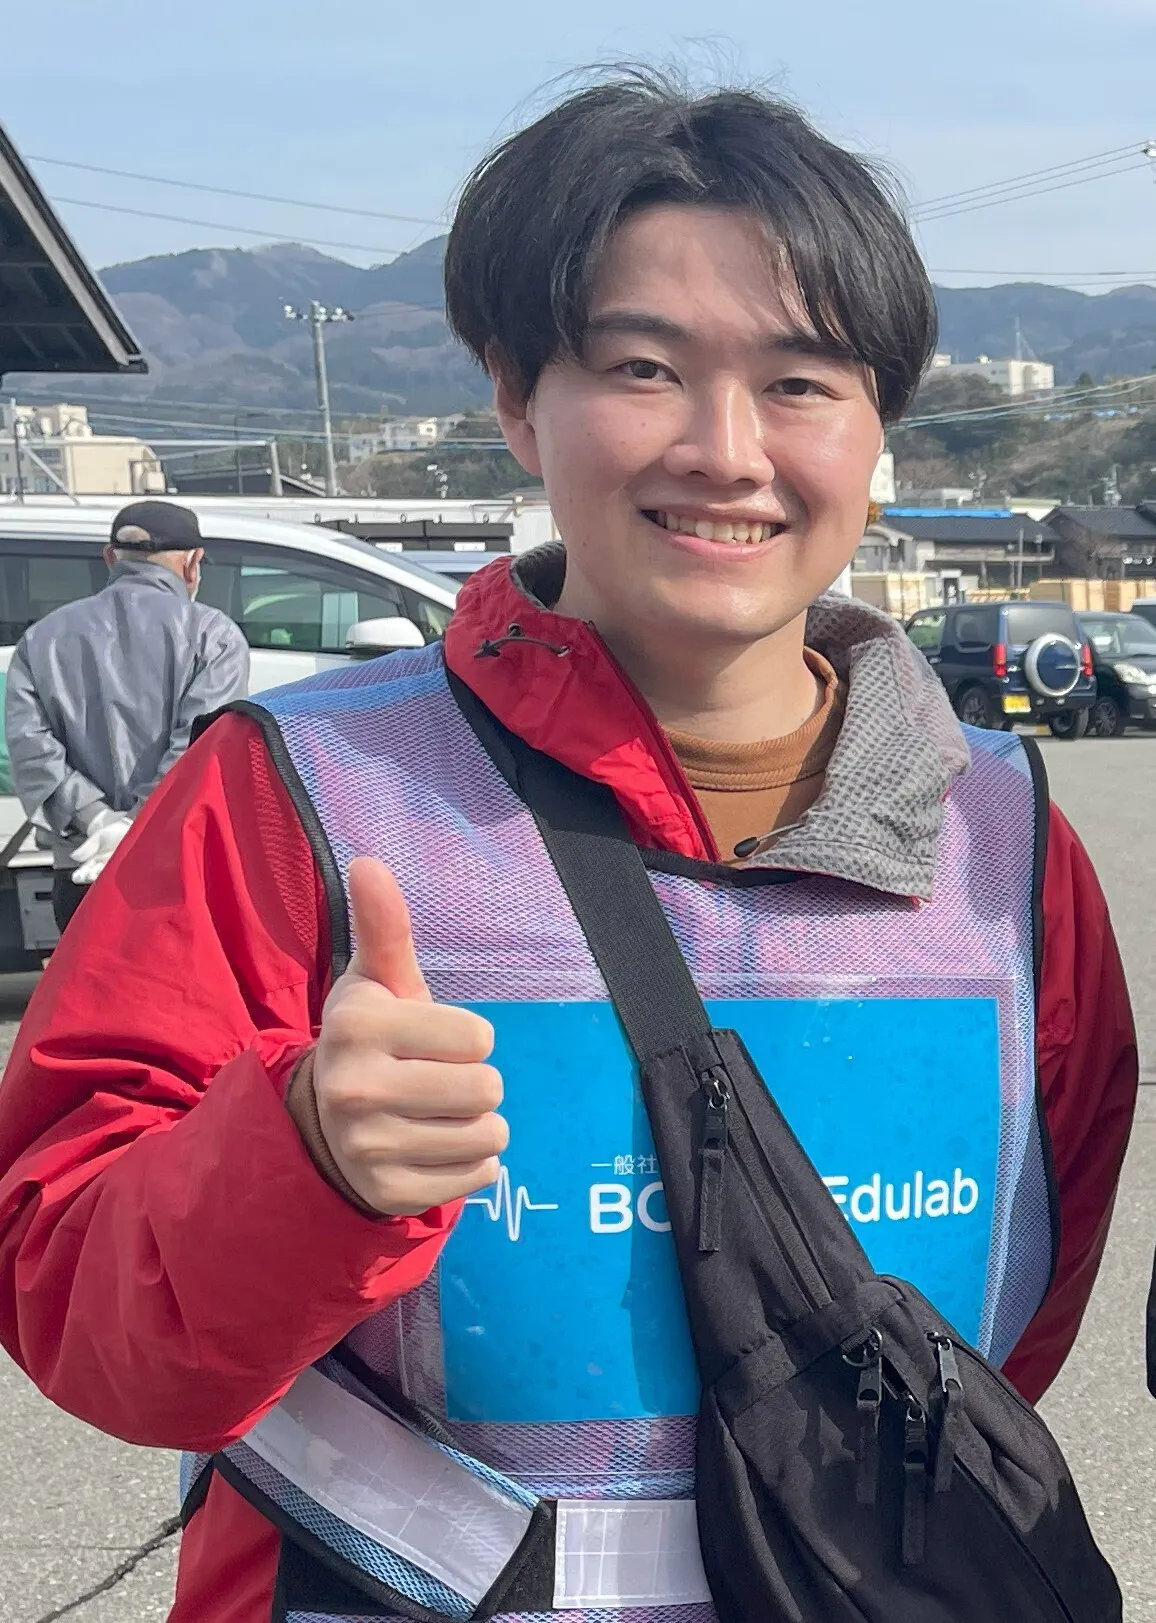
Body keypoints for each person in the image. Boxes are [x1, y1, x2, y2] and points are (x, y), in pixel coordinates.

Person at [0, 74, 1138, 1623]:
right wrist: (302, 1161)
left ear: (877, 427)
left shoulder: (1010, 844)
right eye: (643, 366)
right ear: (516, 397)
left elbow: (1018, 1308)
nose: (726, 450)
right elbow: (75, 1305)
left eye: (802, 381)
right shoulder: (291, 794)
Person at [4, 499, 249, 932]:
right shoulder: (214, 635)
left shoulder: (41, 639)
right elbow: (200, 745)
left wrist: (98, 821)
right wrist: (136, 827)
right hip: (177, 869)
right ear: (193, 563)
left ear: (110, 557)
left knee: (87, 975)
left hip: (82, 865)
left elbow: (31, 747)